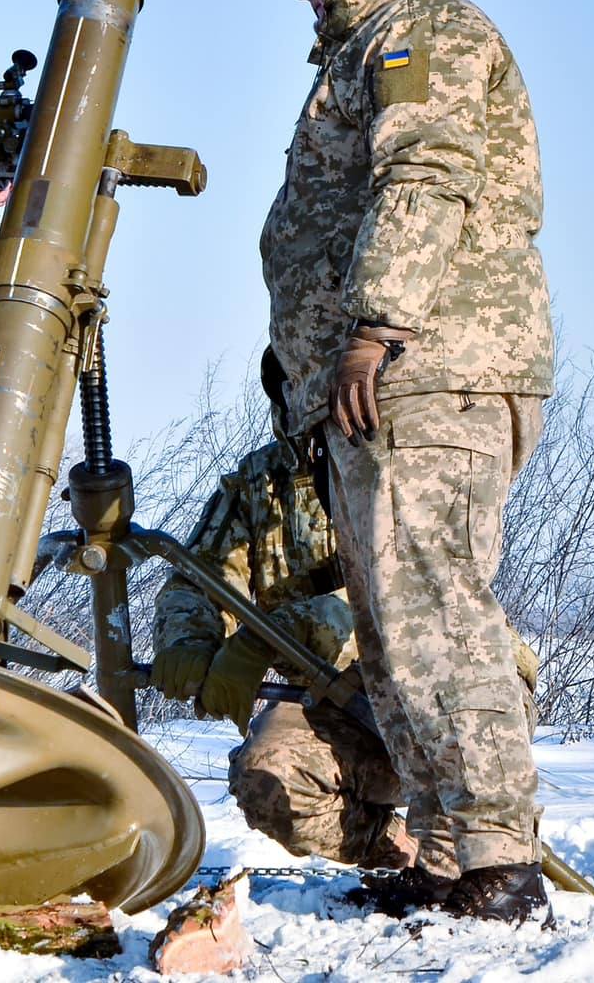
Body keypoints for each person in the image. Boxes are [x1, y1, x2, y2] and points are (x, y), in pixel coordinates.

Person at [258, 0, 554, 922]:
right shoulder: (372, 44)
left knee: (434, 608)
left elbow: (422, 170)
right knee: (395, 627)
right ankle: (443, 853)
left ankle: (493, 860)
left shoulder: (416, 31)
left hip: (426, 367)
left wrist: (375, 327)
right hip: (388, 378)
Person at [151, 349, 413, 871]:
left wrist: (266, 638)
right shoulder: (262, 481)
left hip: (438, 691)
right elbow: (200, 576)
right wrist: (189, 641)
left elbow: (409, 593)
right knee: (267, 778)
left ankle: (488, 851)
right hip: (332, 702)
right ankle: (406, 852)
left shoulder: (407, 459)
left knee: (465, 801)